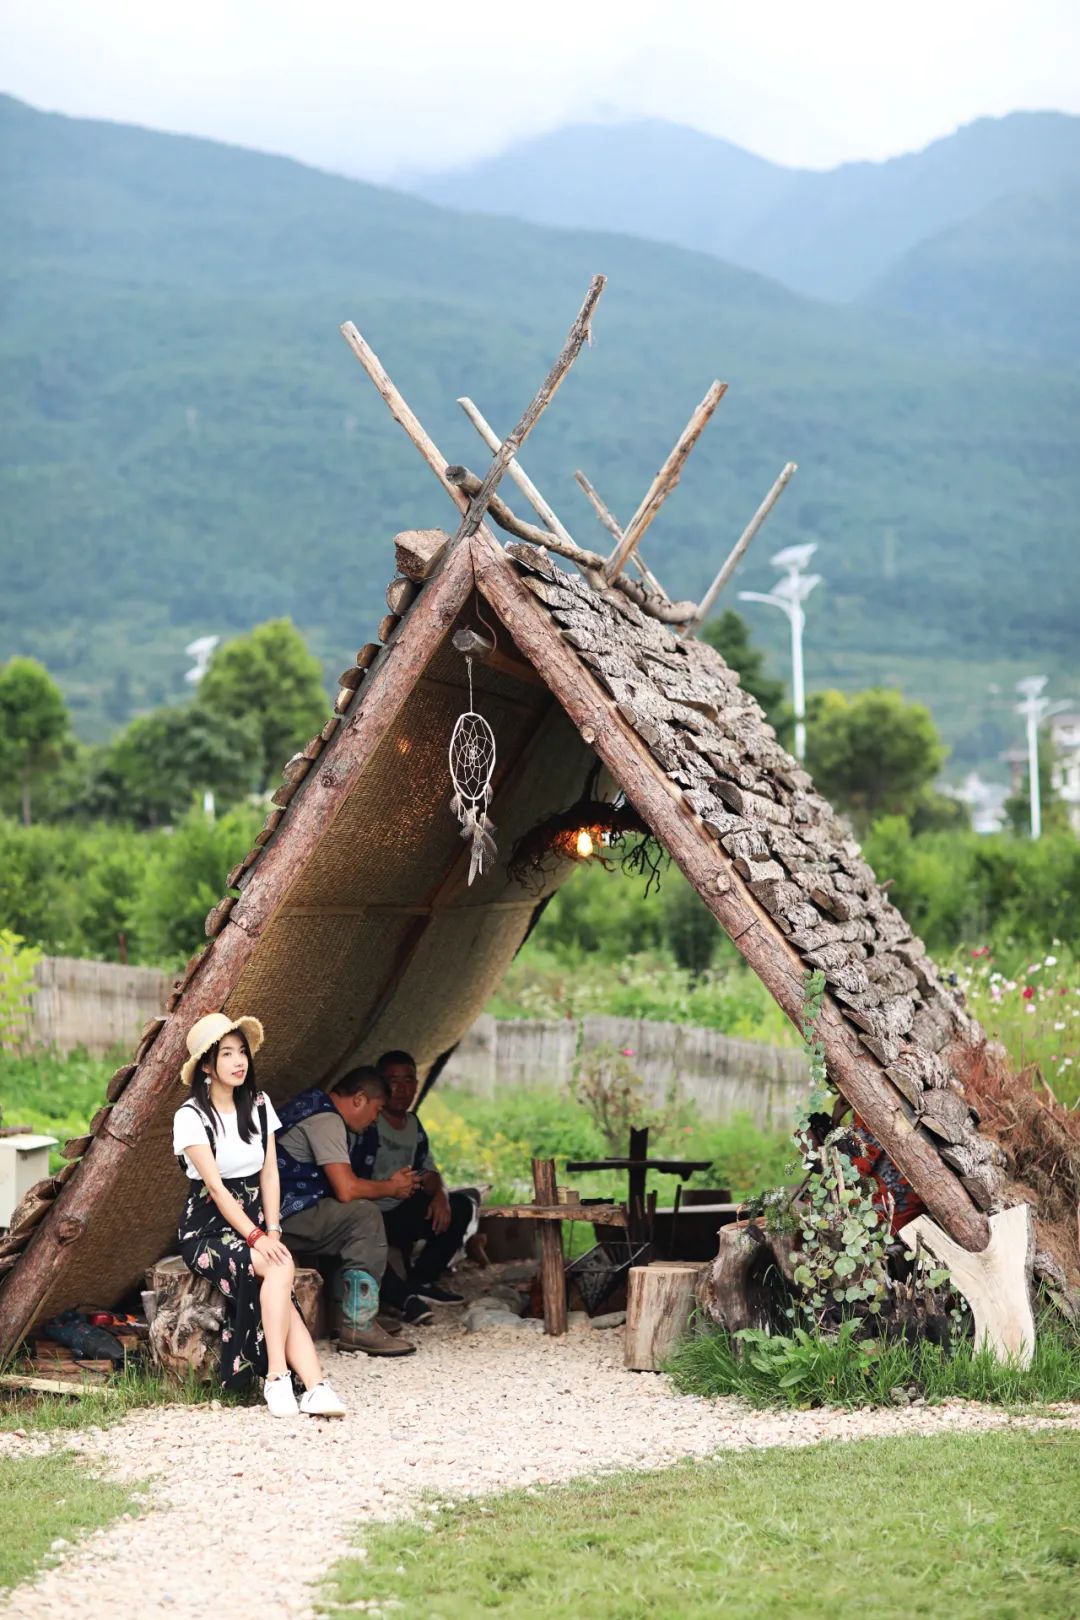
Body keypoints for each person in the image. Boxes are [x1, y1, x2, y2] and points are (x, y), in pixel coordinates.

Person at [172, 1012, 345, 1420]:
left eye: (242, 1052)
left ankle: (305, 1385)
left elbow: (269, 1171)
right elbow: (215, 1189)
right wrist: (256, 1239)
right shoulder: (191, 1116)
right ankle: (284, 1377)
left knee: (280, 1271)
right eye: (227, 1054)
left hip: (253, 1226)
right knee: (277, 1268)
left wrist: (273, 1228)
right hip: (207, 1230)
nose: (239, 1061)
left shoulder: (260, 1105)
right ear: (207, 1067)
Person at [275, 1067, 419, 1355]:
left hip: (281, 1210)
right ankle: (359, 1324)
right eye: (376, 1110)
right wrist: (391, 1187)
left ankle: (345, 1317)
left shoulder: (315, 1106)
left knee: (348, 1215)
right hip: (282, 1215)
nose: (375, 1119)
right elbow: (347, 1189)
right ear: (359, 1099)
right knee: (362, 1215)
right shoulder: (327, 1120)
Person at [373, 1050, 474, 1321]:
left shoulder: (413, 1125)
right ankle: (402, 1297)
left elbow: (428, 1171)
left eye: (409, 1080)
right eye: (393, 1081)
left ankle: (422, 1281)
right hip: (369, 1210)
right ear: (379, 1084)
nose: (402, 1088)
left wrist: (440, 1195)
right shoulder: (368, 1120)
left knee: (461, 1206)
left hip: (400, 1209)